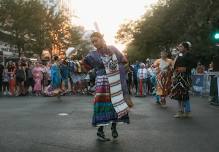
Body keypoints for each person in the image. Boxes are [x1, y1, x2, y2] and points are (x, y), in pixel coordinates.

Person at [80, 32, 131, 140]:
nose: (94, 43)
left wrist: (117, 69)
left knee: (115, 103)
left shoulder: (112, 48)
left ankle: (114, 127)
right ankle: (100, 131)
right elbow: (85, 70)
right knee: (101, 106)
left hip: (115, 81)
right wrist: (82, 64)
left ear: (102, 39)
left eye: (96, 40)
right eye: (92, 42)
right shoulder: (91, 55)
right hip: (101, 83)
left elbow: (125, 62)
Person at [171, 42, 196, 118]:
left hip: (185, 77)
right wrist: (174, 73)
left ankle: (187, 111)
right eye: (179, 47)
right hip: (178, 76)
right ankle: (180, 111)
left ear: (185, 47)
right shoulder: (179, 55)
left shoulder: (190, 55)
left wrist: (186, 69)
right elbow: (174, 66)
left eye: (181, 46)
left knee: (184, 93)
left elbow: (194, 65)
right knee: (178, 94)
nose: (179, 48)